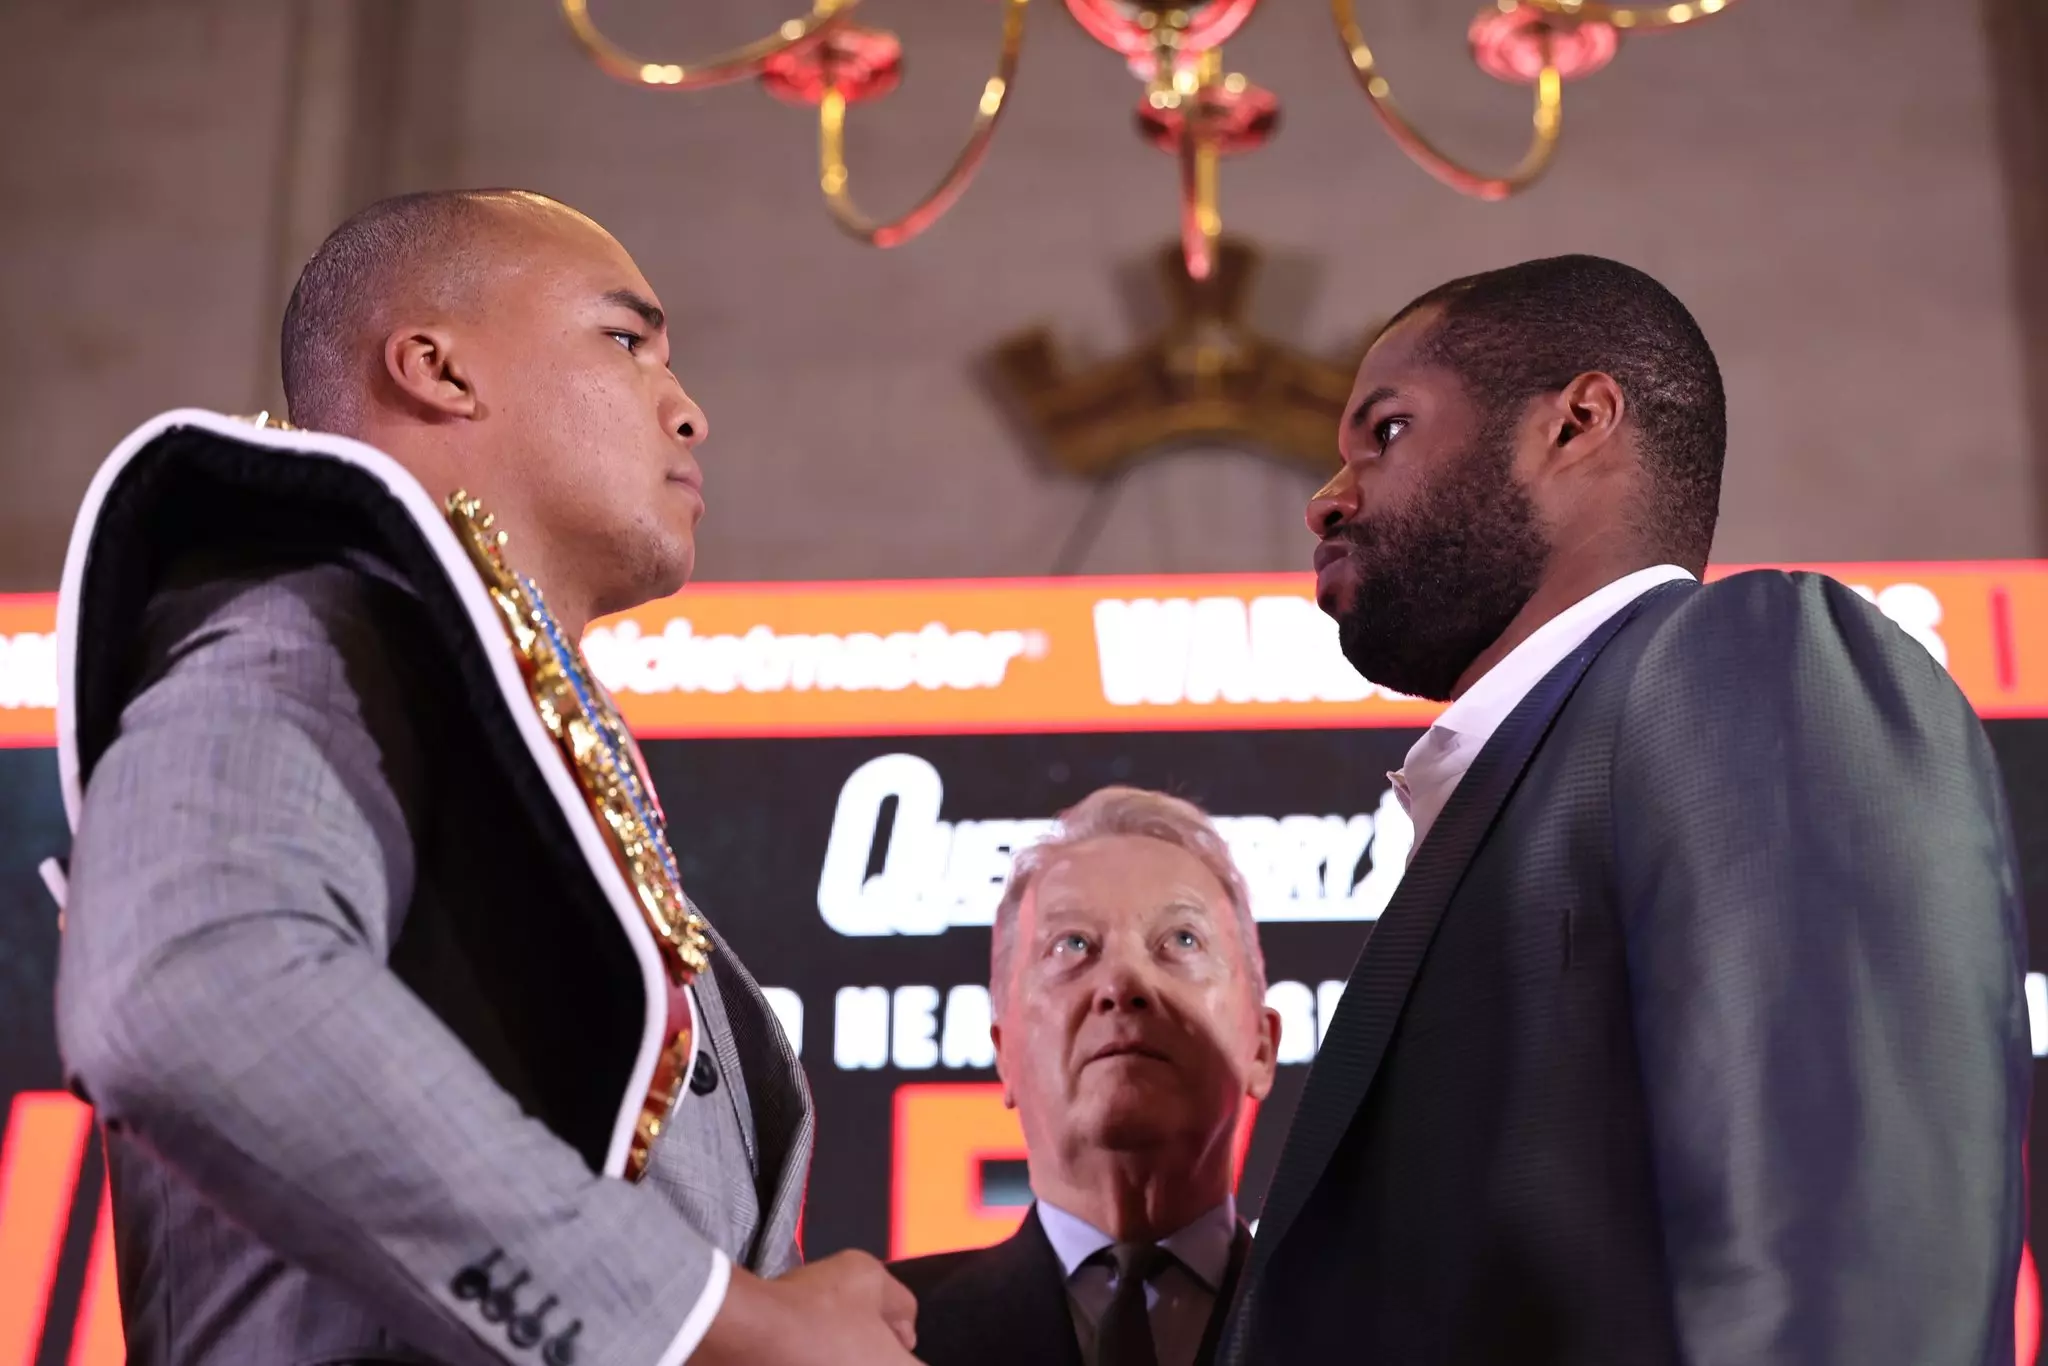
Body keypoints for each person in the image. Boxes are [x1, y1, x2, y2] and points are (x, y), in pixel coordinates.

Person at [53, 190, 916, 1366]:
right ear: (436, 369)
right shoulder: (312, 632)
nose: (690, 411)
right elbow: (190, 984)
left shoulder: (518, 748)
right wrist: (718, 1319)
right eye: (627, 342)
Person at [1224, 254, 2029, 1365]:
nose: (1327, 494)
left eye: (1388, 432)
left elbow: (1851, 1260)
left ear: (1576, 423)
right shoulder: (1510, 792)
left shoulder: (1740, 665)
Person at [892, 787, 1280, 1366]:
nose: (1122, 984)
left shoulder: (1381, 1330)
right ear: (1004, 1053)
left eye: (1181, 940)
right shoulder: (882, 1338)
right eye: (1071, 945)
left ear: (1262, 1046)